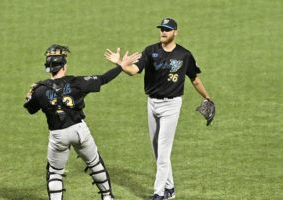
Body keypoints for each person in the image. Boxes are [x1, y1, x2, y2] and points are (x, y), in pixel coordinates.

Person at [105, 18, 213, 200]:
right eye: (162, 29)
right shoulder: (151, 51)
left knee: (163, 151)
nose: (163, 32)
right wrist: (121, 64)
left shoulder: (184, 55)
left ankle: (159, 193)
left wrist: (207, 97)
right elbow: (133, 71)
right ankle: (170, 189)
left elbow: (195, 79)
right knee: (157, 149)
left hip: (171, 105)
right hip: (152, 103)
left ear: (175, 32)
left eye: (167, 29)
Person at [23, 44, 140, 200]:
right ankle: (107, 197)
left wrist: (29, 96)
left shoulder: (39, 90)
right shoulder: (77, 82)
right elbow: (104, 79)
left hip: (58, 136)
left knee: (55, 172)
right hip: (79, 131)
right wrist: (121, 66)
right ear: (64, 66)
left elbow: (30, 109)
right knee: (95, 163)